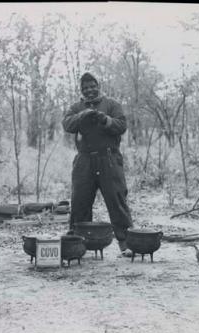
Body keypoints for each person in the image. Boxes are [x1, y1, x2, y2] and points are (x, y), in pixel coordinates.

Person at [62, 72, 133, 257]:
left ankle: (126, 244)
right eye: (85, 88)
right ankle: (78, 243)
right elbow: (67, 124)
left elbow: (122, 125)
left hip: (109, 159)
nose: (89, 90)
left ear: (98, 86)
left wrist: (105, 119)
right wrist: (82, 116)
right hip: (84, 160)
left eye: (92, 86)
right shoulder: (76, 107)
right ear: (81, 91)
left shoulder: (111, 104)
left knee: (117, 200)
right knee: (80, 202)